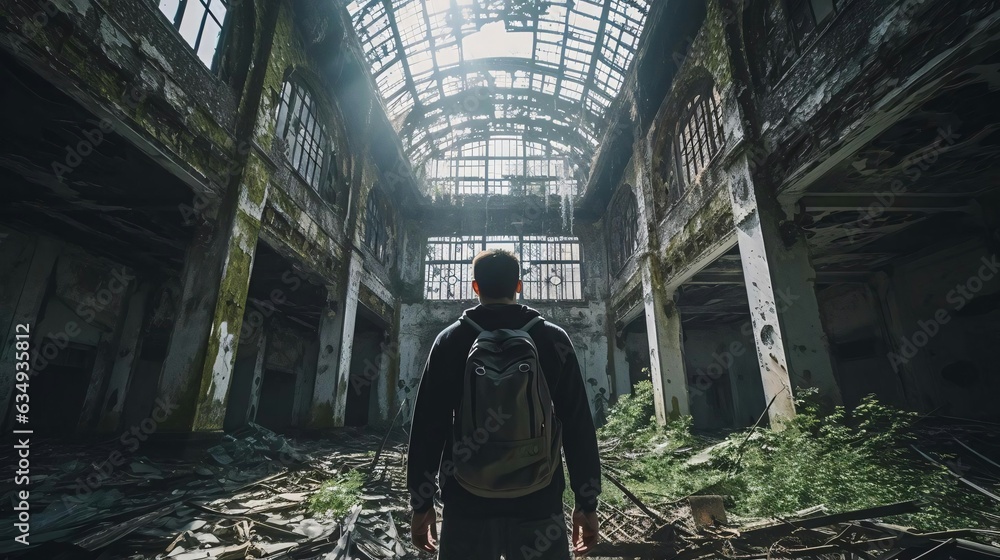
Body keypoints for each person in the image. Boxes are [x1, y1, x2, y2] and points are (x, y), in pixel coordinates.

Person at [407, 248, 602, 559]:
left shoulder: (449, 340)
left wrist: (421, 504)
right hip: (539, 497)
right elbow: (578, 424)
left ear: (475, 287)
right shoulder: (554, 339)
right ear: (519, 285)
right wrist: (586, 503)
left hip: (466, 499)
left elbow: (429, 426)